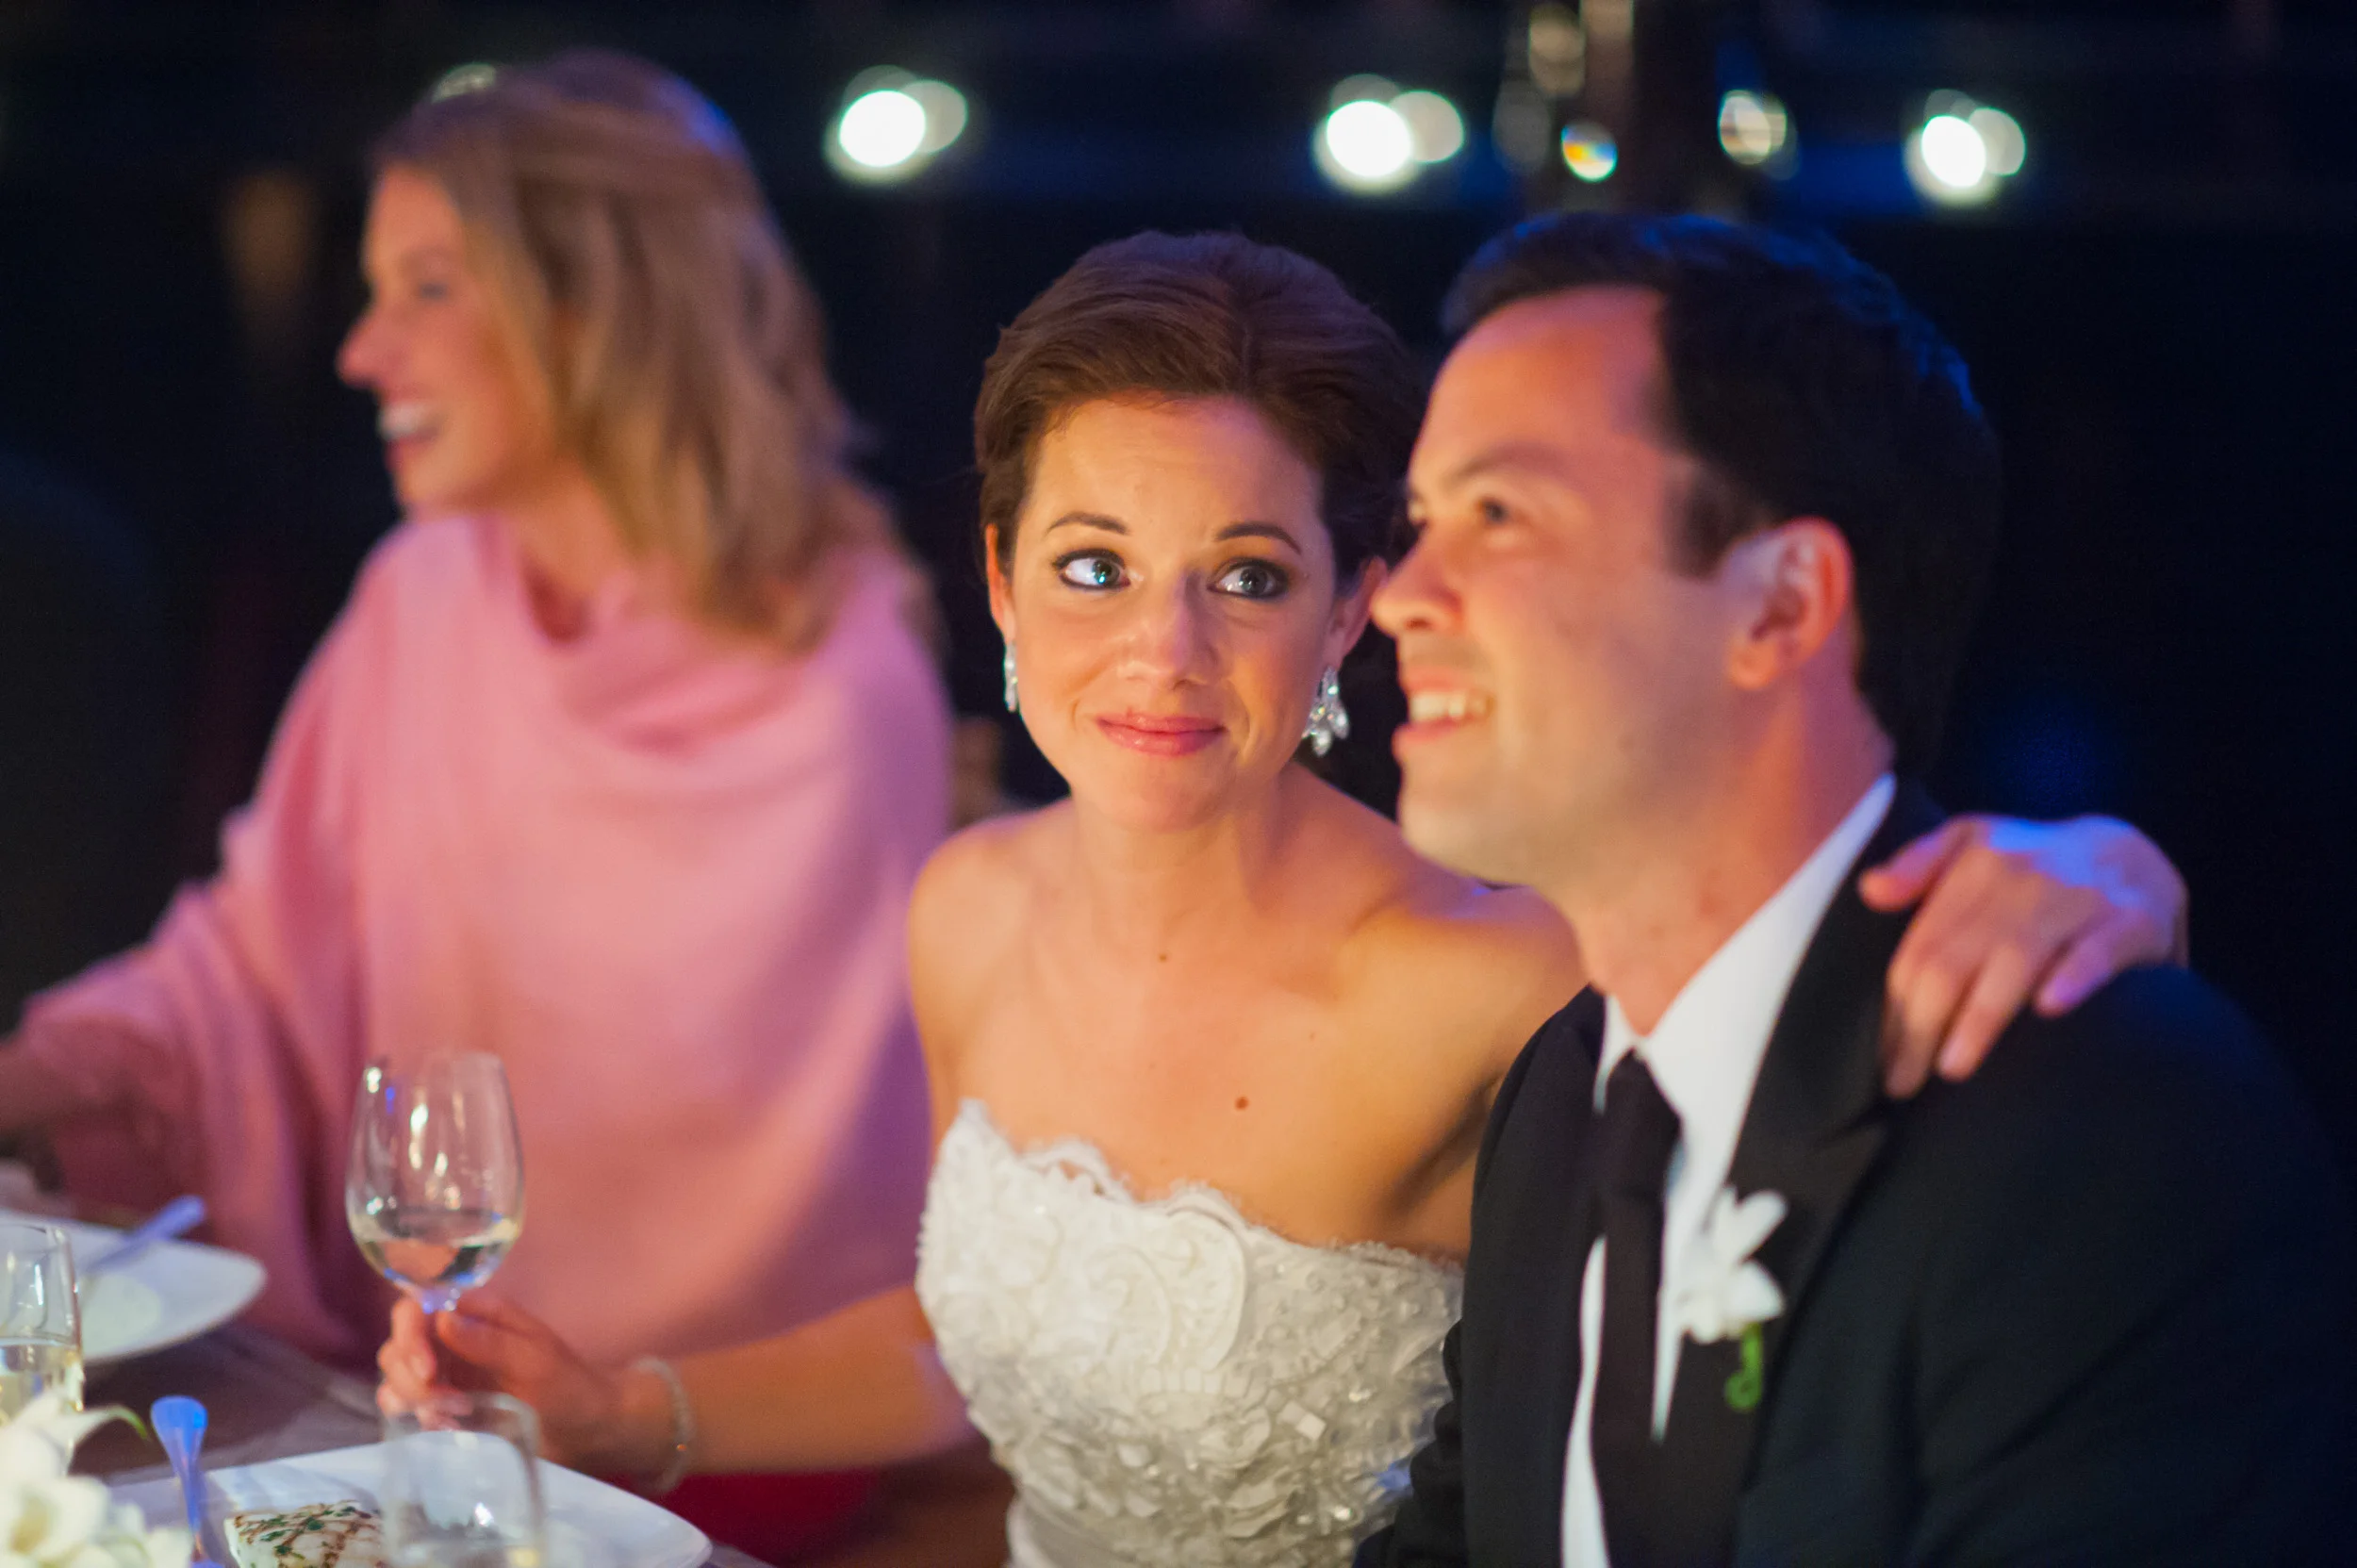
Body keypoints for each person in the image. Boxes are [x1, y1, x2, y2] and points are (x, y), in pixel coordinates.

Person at [379, 231, 2193, 1565]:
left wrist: (2109, 869)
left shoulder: (1504, 976)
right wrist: (640, 1411)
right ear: (1003, 584)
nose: (1159, 653)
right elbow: (983, 1336)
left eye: (1245, 576)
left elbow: (1813, 980)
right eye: (1095, 567)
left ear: (1347, 608)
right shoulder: (970, 904)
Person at [0, 52, 948, 1555]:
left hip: (722, 1437)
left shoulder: (844, 664)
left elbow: (841, 1173)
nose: (362, 352)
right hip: (420, 1395)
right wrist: (29, 1075)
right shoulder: (422, 595)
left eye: (428, 286)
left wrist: (603, 1392)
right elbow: (242, 973)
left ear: (596, 305)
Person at [1358, 213, 2351, 1567]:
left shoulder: (2109, 1137)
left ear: (1781, 605)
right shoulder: (1563, 1096)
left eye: (1499, 513)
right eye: (1421, 521)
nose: (1406, 593)